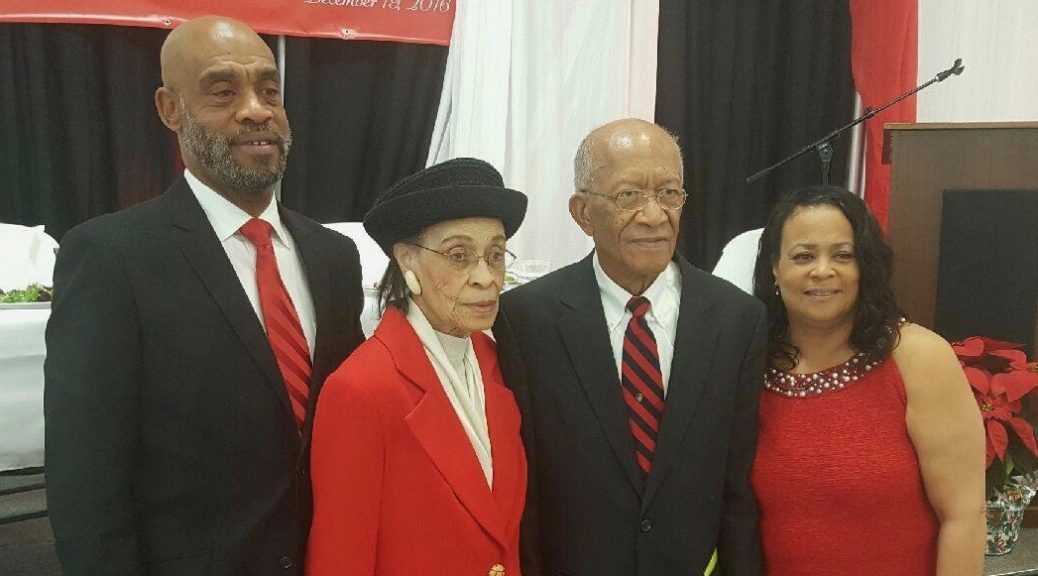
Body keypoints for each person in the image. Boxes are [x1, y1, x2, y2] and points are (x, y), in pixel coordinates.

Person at [44, 16, 366, 576]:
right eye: (223, 91)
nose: (256, 110)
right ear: (170, 109)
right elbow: (86, 478)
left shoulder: (333, 256)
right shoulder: (111, 257)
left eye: (269, 90)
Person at [493, 118, 767, 575]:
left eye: (669, 193)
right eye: (629, 195)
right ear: (582, 212)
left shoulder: (737, 320)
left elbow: (740, 489)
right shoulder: (525, 320)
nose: (654, 215)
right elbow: (527, 489)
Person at [306, 157, 529, 576]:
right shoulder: (362, 389)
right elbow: (340, 559)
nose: (486, 277)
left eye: (496, 255)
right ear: (407, 260)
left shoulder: (497, 362)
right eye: (459, 255)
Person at [750, 185, 985, 575]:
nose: (822, 270)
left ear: (866, 267)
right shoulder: (750, 362)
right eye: (803, 256)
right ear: (775, 268)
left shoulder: (918, 357)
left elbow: (964, 517)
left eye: (843, 255)